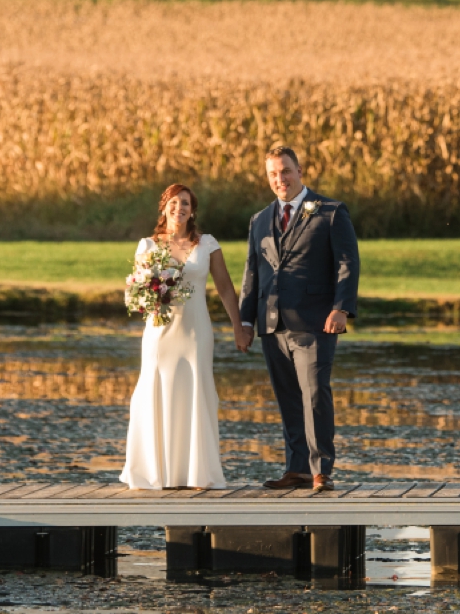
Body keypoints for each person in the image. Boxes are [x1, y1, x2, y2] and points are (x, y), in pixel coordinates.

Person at [238, 145, 360, 492]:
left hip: (314, 322)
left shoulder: (331, 212)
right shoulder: (260, 219)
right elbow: (252, 274)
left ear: (300, 171)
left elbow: (347, 263)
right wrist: (246, 322)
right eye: (273, 174)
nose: (280, 179)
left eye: (286, 171)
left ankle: (321, 469)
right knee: (288, 397)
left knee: (315, 393)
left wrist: (341, 307)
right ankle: (297, 468)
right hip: (272, 323)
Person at [120, 183, 250, 490]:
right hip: (159, 333)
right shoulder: (148, 246)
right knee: (154, 391)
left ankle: (197, 473)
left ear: (193, 211)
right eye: (175, 202)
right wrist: (148, 297)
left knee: (197, 391)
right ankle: (154, 471)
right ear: (164, 206)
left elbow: (226, 288)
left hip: (195, 332)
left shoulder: (207, 244)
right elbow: (135, 292)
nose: (180, 208)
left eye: (186, 204)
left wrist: (239, 327)